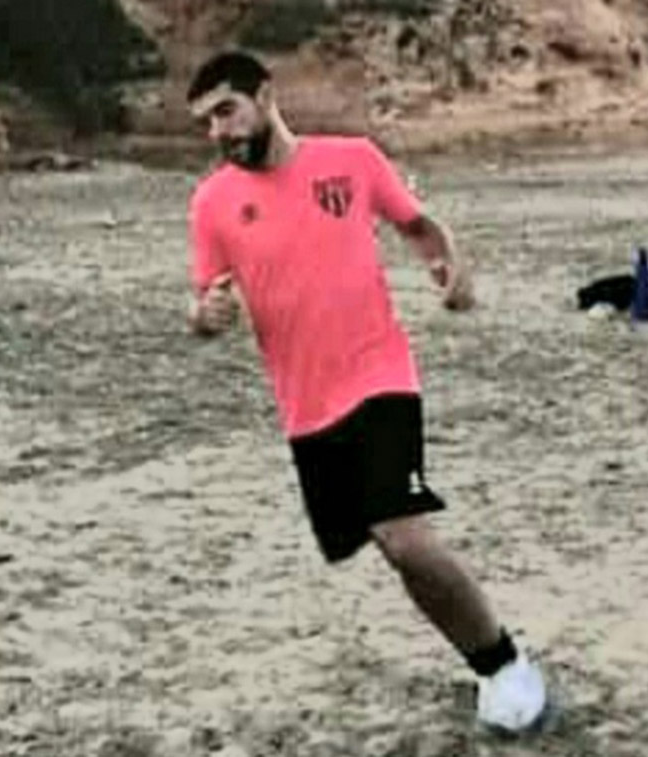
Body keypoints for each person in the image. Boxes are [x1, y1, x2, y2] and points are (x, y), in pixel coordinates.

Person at [185, 50, 549, 734]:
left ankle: (506, 667)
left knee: (401, 535)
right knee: (392, 550)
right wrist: (207, 316)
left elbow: (417, 224)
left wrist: (449, 266)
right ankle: (487, 659)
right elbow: (204, 301)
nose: (218, 132)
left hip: (380, 376)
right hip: (306, 408)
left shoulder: (352, 160)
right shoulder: (212, 204)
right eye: (205, 122)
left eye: (226, 111)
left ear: (266, 96)